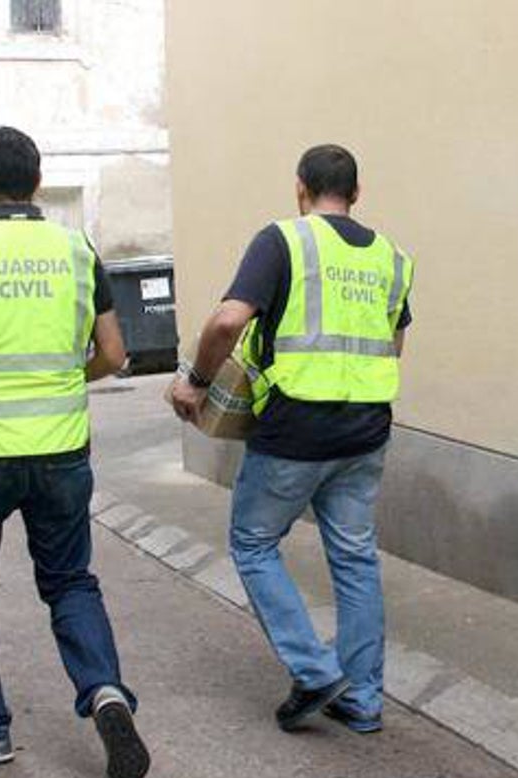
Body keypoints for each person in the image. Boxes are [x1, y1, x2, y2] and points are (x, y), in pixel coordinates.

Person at [0, 126, 150, 778]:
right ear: (37, 182)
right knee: (71, 582)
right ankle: (103, 690)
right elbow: (114, 353)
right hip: (62, 452)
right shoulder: (76, 249)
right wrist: (67, 379)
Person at [170, 144, 413, 735]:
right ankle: (361, 698)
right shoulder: (392, 257)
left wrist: (195, 381)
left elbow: (229, 320)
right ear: (356, 193)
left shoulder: (283, 240)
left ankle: (312, 669)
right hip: (366, 429)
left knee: (253, 543)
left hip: (296, 428)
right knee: (354, 557)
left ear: (300, 188)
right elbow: (393, 343)